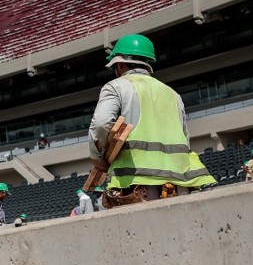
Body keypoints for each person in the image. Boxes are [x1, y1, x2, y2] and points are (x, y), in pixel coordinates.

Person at [90, 35, 216, 207]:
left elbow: (101, 123)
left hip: (136, 181)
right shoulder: (173, 94)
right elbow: (185, 138)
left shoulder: (116, 86)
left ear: (119, 64)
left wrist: (98, 156)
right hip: (180, 181)